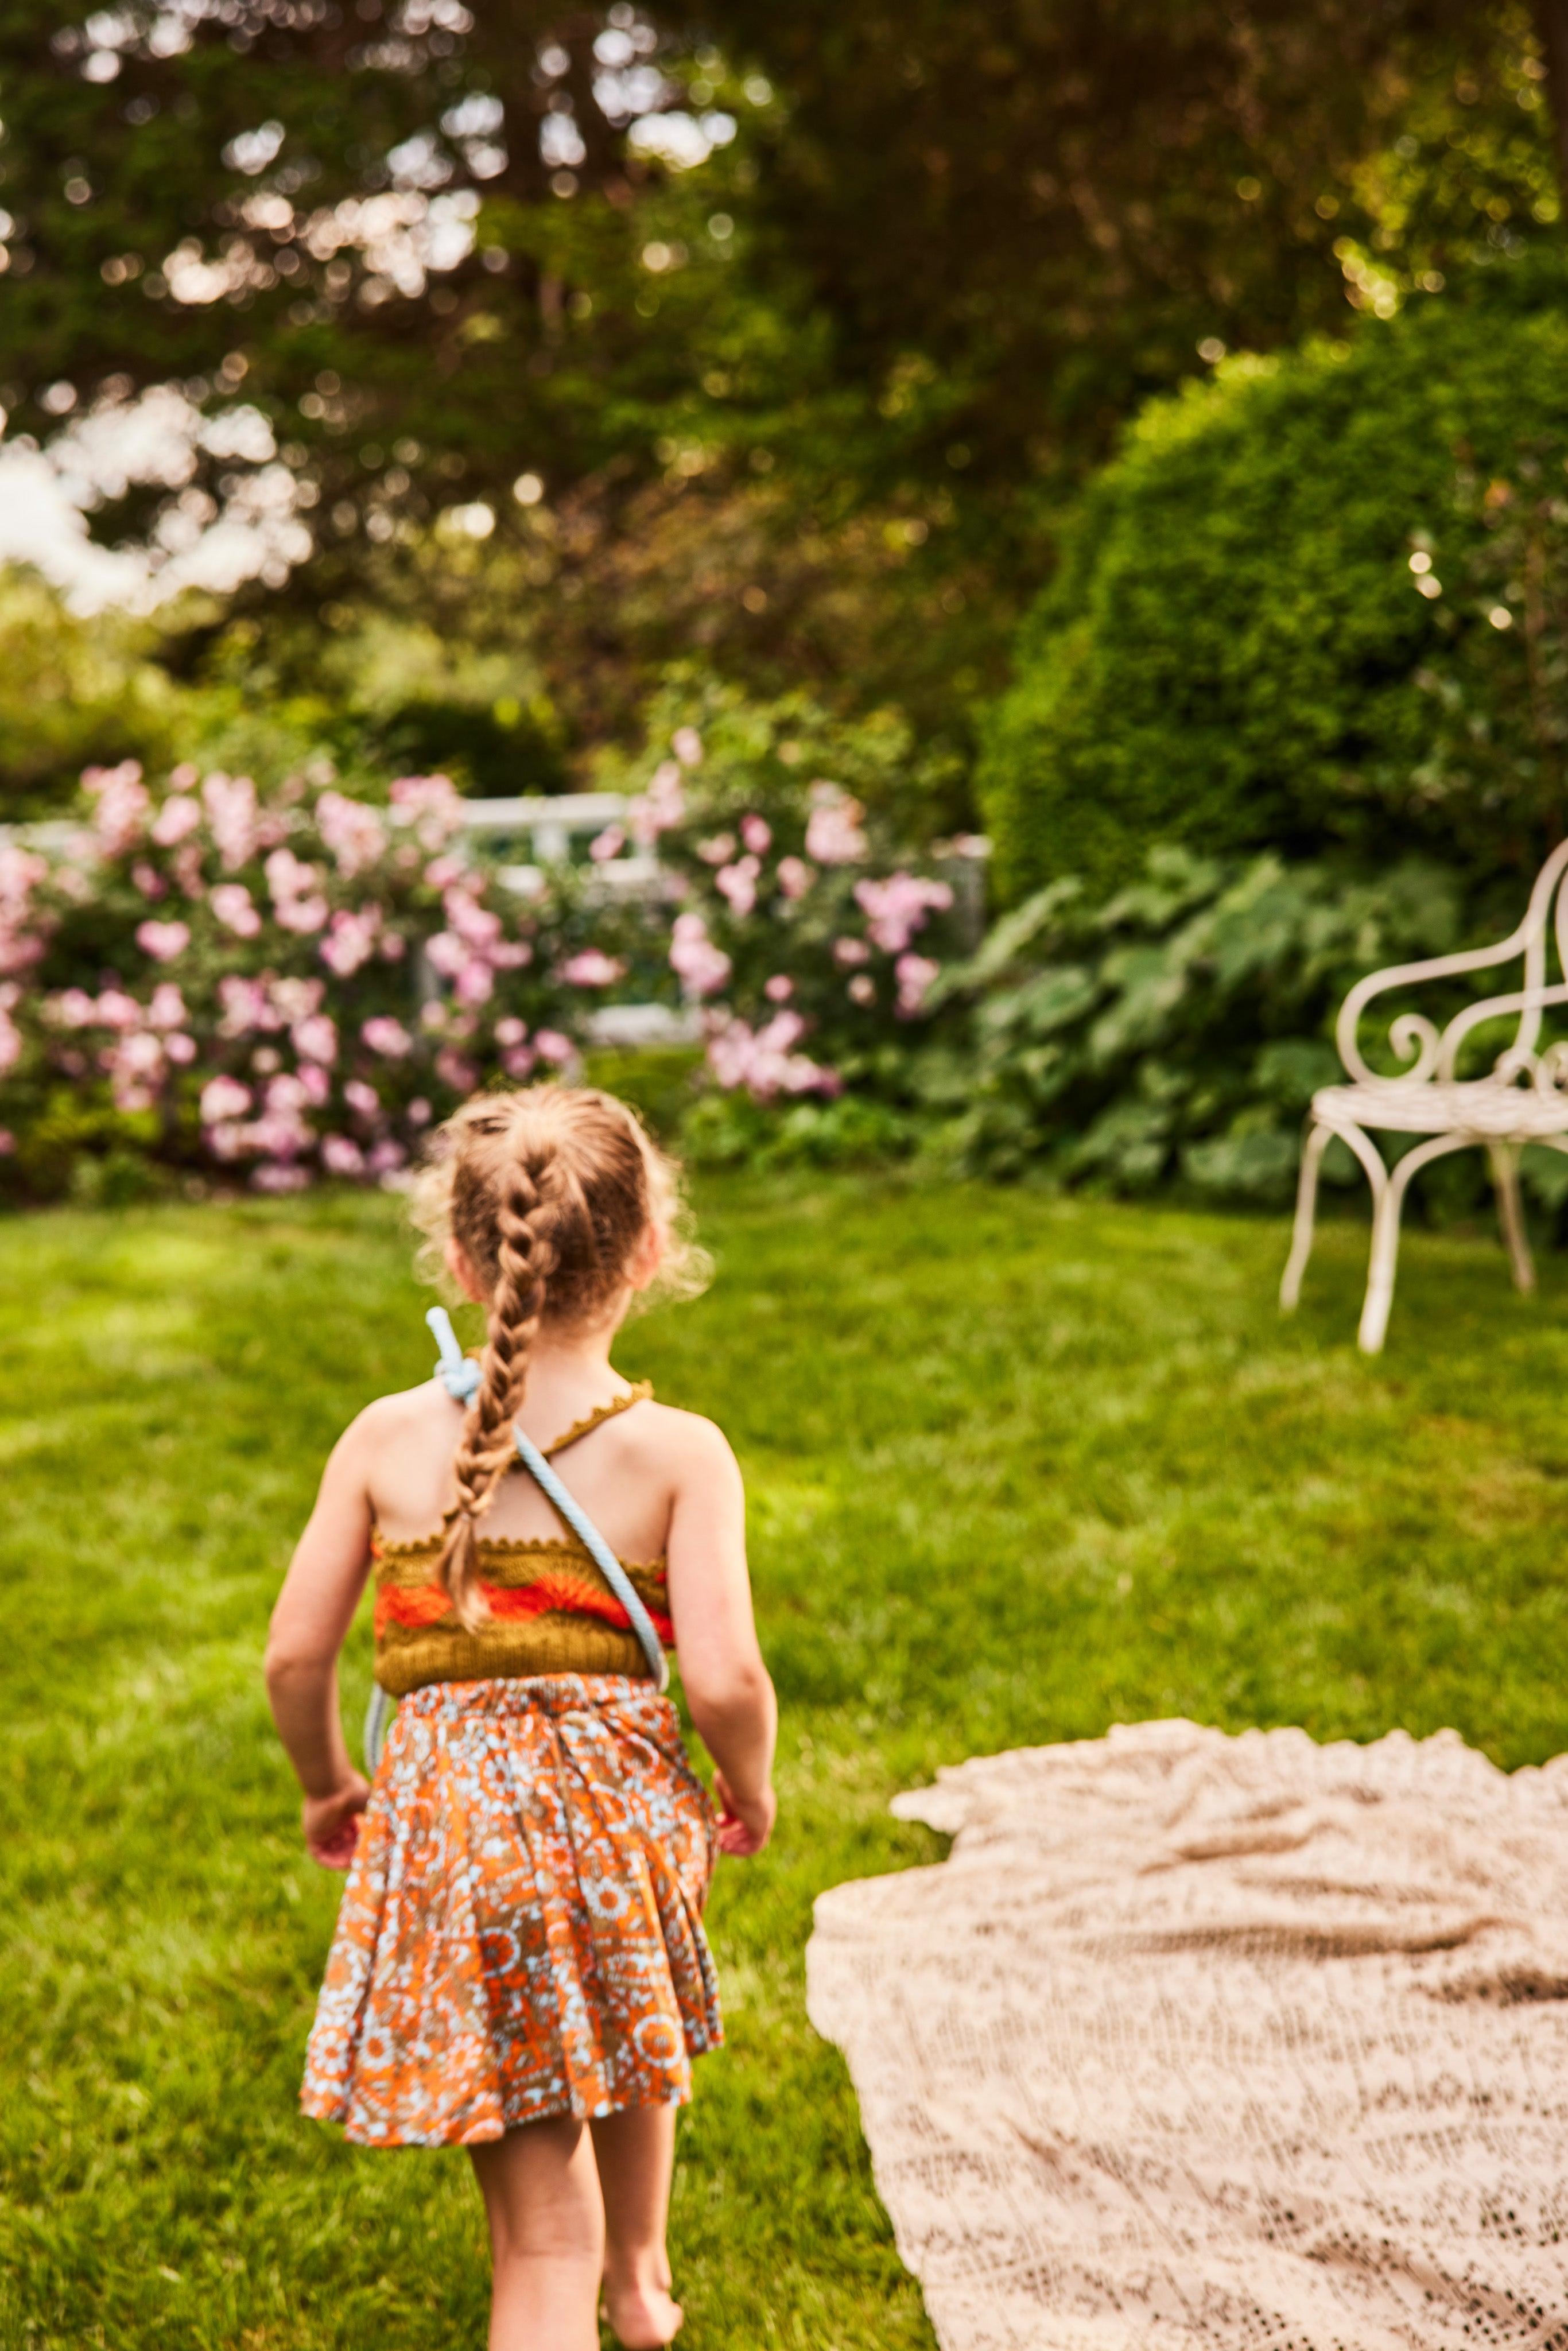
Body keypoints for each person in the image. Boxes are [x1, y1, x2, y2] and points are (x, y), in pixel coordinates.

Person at [265, 1086, 777, 2351]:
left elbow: (292, 1654)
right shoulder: (681, 1450)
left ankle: (608, 2272)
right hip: (621, 1816)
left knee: (539, 2240)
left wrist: (329, 1779)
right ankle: (643, 2278)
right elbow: (723, 1682)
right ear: (651, 1251)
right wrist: (747, 1783)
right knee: (629, 2006)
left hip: (458, 1834)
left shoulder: (385, 1438)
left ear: (459, 1254)